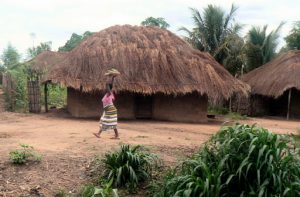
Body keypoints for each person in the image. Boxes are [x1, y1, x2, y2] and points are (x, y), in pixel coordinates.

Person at [93, 69, 120, 139]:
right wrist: (113, 77)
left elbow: (109, 86)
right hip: (109, 109)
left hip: (110, 109)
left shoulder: (108, 94)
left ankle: (99, 134)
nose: (105, 88)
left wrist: (111, 78)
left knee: (106, 121)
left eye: (106, 87)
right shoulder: (108, 94)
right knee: (108, 121)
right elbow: (111, 85)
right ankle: (116, 135)